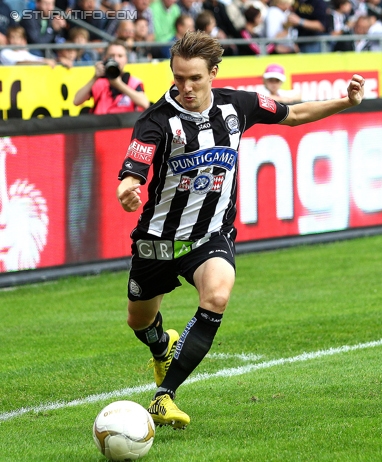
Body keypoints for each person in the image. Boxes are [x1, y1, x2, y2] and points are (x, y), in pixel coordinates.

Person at [115, 30, 364, 429]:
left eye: (195, 78)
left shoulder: (238, 105)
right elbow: (133, 170)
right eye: (178, 78)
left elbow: (292, 114)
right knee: (139, 321)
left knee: (217, 294)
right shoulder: (156, 121)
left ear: (213, 73)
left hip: (210, 235)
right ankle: (162, 348)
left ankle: (164, 397)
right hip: (157, 242)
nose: (185, 87)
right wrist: (127, 189)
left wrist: (346, 102)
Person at [73, 39, 150, 114]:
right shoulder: (99, 81)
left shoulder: (133, 82)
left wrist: (119, 84)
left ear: (126, 59)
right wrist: (94, 77)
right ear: (105, 58)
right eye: (112, 55)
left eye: (120, 56)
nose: (116, 59)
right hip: (102, 124)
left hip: (125, 125)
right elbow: (76, 101)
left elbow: (145, 103)